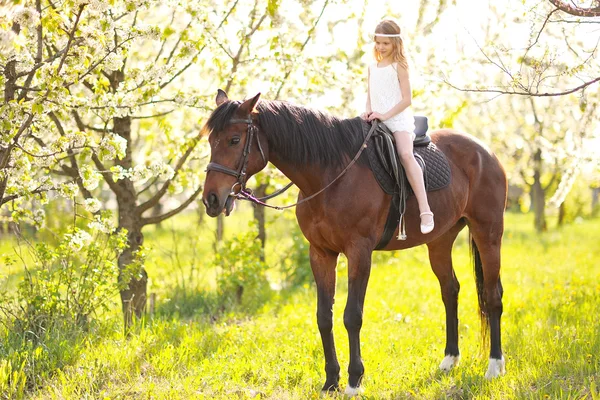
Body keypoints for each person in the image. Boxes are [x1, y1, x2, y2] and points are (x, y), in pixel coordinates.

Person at [361, 19, 434, 236]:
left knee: (405, 154)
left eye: (386, 43)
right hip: (376, 118)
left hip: (397, 119)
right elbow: (369, 95)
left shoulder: (400, 66)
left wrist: (385, 115)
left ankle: (425, 210)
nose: (381, 47)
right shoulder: (372, 67)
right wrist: (368, 111)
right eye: (378, 43)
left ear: (396, 44)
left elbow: (406, 99)